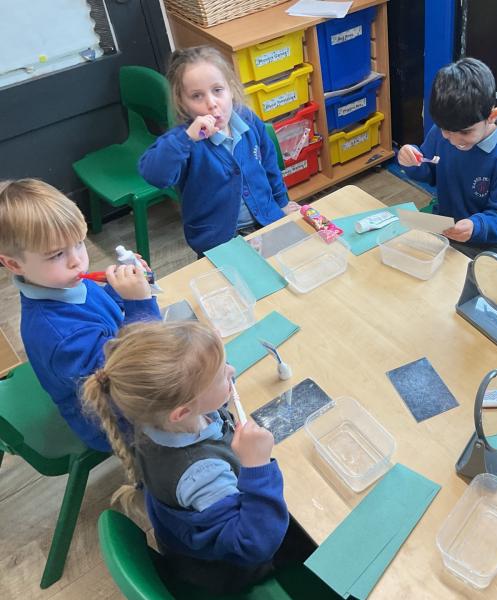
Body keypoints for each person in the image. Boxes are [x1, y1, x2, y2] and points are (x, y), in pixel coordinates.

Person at [81, 321, 314, 593]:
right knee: (308, 539)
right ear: (182, 411)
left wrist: (211, 363)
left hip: (188, 543)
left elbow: (198, 394)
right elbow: (254, 544)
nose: (232, 371)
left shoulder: (152, 417)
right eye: (223, 375)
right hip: (230, 569)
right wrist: (258, 467)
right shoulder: (202, 475)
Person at [0, 178, 160, 451]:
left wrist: (126, 288)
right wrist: (141, 305)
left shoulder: (62, 282)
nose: (77, 261)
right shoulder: (63, 336)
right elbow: (138, 376)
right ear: (14, 264)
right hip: (114, 422)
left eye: (79, 243)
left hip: (121, 366)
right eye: (56, 254)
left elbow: (102, 310)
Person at [138, 46, 299, 257]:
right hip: (218, 243)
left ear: (230, 88)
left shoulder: (248, 121)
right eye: (197, 96)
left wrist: (282, 203)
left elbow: (270, 166)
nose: (212, 104)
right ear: (182, 102)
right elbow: (154, 175)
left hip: (267, 221)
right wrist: (186, 139)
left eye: (217, 90)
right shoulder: (184, 140)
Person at [397, 57, 497, 263]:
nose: (455, 141)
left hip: (490, 241)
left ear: (492, 116)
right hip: (446, 225)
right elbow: (429, 172)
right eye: (447, 131)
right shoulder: (442, 130)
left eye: (465, 132)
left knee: (474, 282)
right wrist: (411, 160)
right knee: (404, 261)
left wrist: (476, 227)